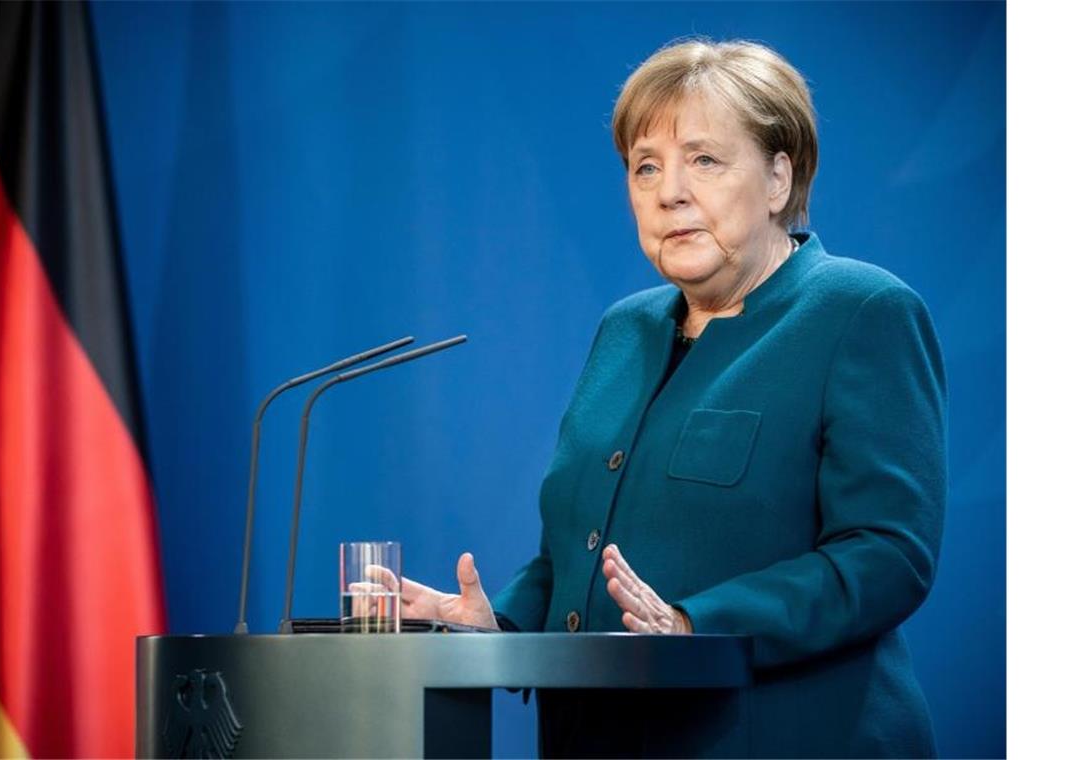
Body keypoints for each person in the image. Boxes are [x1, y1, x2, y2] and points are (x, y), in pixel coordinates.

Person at [394, 38, 946, 758]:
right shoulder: (624, 329)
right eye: (645, 166)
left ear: (779, 178)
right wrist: (494, 627)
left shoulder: (860, 311)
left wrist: (694, 623)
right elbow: (578, 549)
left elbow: (886, 554)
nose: (668, 191)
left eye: (704, 160)